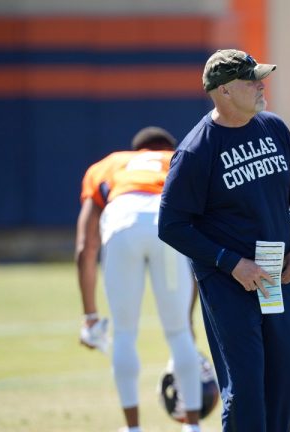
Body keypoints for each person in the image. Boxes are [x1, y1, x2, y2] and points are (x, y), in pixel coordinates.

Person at [157, 49, 290, 432]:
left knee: (284, 376)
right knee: (245, 388)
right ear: (224, 92)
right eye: (251, 79)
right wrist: (231, 262)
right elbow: (171, 224)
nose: (261, 85)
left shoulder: (273, 127)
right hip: (229, 283)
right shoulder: (196, 151)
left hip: (276, 276)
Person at [75, 127, 202, 432]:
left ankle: (133, 428)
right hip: (167, 225)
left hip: (121, 224)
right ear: (168, 148)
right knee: (179, 333)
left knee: (124, 333)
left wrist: (90, 316)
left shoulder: (109, 164)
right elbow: (200, 239)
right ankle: (193, 426)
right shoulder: (180, 159)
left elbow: (84, 247)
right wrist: (189, 315)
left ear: (136, 150)